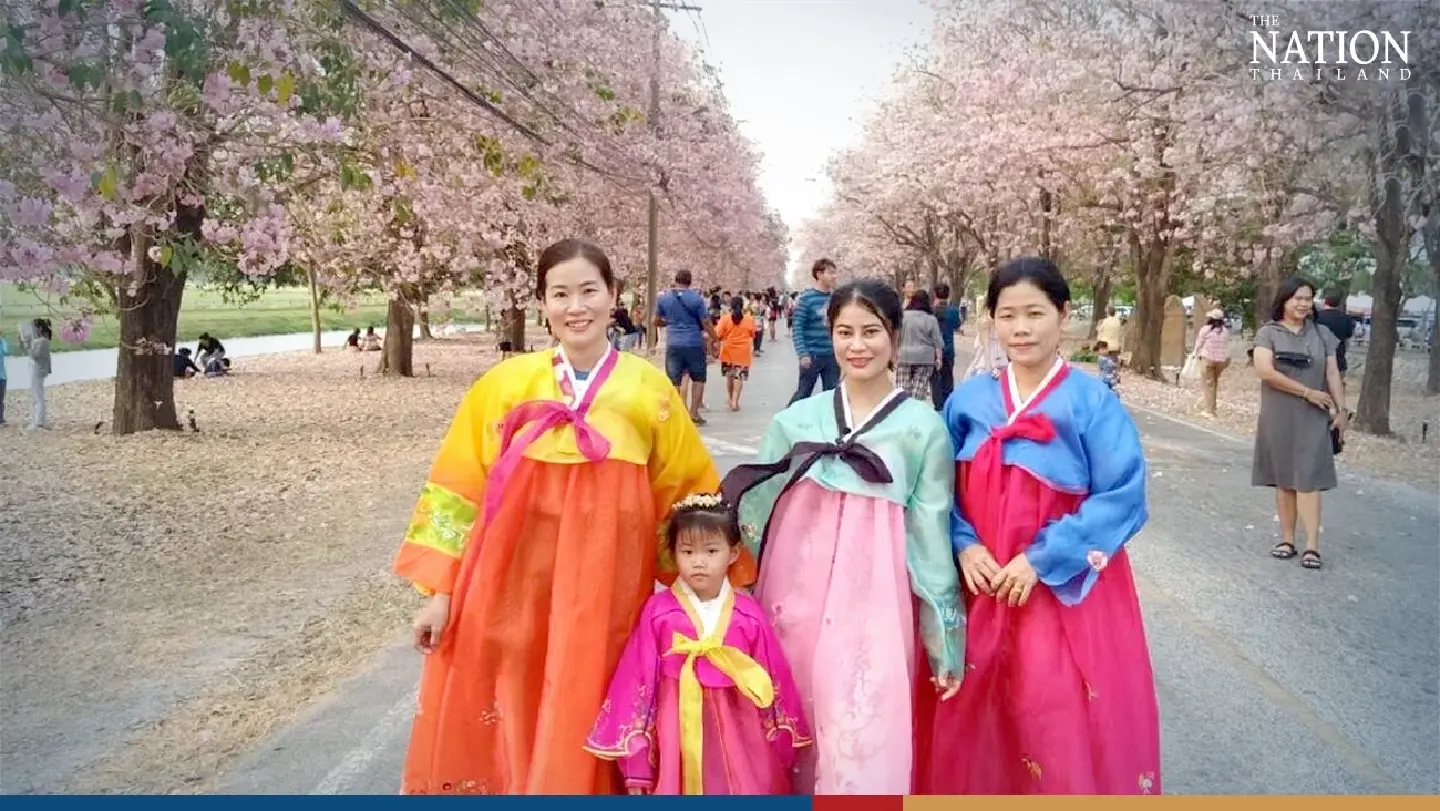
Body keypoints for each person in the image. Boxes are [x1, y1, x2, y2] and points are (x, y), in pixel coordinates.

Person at [394, 239, 748, 795]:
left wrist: (706, 591)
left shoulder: (649, 391)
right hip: (510, 582)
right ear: (543, 303)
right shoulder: (504, 387)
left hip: (607, 587)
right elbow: (458, 487)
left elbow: (687, 497)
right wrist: (440, 590)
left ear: (614, 297)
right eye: (560, 294)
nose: (575, 306)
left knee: (590, 693)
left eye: (589, 291)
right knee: (513, 690)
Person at [723, 279, 965, 795]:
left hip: (874, 599)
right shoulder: (796, 421)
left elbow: (929, 535)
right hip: (794, 591)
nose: (858, 346)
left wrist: (945, 639)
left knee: (861, 723)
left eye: (872, 332)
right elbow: (755, 517)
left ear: (895, 337)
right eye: (844, 332)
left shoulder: (923, 429)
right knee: (791, 711)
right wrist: (734, 599)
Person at [930, 256, 1160, 795]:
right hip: (982, 584)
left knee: (1055, 713)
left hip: (1062, 590)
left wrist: (1040, 559)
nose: (1022, 328)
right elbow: (937, 489)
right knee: (977, 709)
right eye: (1007, 315)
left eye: (1035, 313)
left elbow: (1122, 496)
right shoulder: (968, 402)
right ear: (992, 321)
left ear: (1063, 314)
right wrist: (963, 544)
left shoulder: (1093, 404)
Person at [586, 493, 812, 795]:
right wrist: (637, 756)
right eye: (688, 551)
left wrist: (779, 738)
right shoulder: (659, 612)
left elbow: (774, 677)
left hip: (742, 734)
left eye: (711, 550)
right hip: (675, 729)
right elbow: (637, 681)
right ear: (674, 554)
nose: (699, 562)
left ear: (733, 553)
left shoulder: (748, 614)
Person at [1252, 277, 1346, 571]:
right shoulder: (1268, 333)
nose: (1304, 304)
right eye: (1298, 298)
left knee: (1308, 479)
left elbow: (1332, 373)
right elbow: (1265, 372)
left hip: (1314, 415)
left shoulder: (1322, 334)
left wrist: (1341, 410)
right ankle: (1287, 539)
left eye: (1309, 299)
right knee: (1285, 479)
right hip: (1279, 415)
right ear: (1285, 300)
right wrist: (1305, 391)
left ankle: (1312, 547)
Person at [654, 269, 715, 426]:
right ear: (690, 281)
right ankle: (694, 414)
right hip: (694, 343)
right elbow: (706, 322)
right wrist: (715, 338)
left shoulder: (664, 299)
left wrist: (669, 322)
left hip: (673, 343)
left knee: (674, 380)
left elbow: (655, 321)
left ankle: (677, 413)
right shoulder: (697, 299)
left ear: (676, 280)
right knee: (698, 378)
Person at [788, 258, 840, 405]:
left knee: (832, 395)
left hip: (832, 356)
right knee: (803, 393)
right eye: (830, 273)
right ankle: (786, 419)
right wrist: (803, 353)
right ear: (819, 274)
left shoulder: (836, 298)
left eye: (835, 273)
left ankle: (830, 425)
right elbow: (797, 327)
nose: (834, 276)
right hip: (812, 355)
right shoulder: (806, 299)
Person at [896, 289, 944, 406]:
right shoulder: (931, 319)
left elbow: (896, 337)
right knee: (919, 391)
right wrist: (939, 359)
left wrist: (893, 355)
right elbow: (937, 342)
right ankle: (915, 414)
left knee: (902, 390)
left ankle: (903, 413)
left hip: (904, 356)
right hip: (925, 358)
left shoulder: (903, 317)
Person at [715, 296, 758, 411]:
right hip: (743, 352)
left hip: (728, 351)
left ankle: (730, 398)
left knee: (730, 376)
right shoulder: (749, 319)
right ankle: (735, 401)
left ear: (731, 306)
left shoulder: (724, 319)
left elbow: (717, 334)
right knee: (738, 376)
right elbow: (753, 334)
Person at [1192, 308, 1231, 416]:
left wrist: (1194, 353)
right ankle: (1212, 407)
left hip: (1207, 358)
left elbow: (1199, 343)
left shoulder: (1206, 329)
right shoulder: (1225, 331)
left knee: (1208, 384)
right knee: (1214, 383)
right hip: (1221, 361)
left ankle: (1209, 410)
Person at [932, 283, 962, 409]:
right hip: (949, 348)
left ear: (935, 295)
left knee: (935, 378)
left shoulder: (931, 311)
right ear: (948, 294)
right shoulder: (953, 310)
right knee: (948, 377)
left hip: (933, 349)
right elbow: (957, 325)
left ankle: (938, 406)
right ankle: (948, 404)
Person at [1314, 292, 1355, 377]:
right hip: (1339, 359)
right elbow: (1348, 339)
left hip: (1318, 359)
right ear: (1339, 304)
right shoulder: (1347, 319)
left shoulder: (1316, 317)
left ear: (1325, 302)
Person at [23, 319, 51, 430]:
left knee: (38, 395)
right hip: (36, 368)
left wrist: (28, 344)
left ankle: (38, 421)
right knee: (37, 394)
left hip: (38, 369)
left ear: (39, 328)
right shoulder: (39, 340)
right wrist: (24, 342)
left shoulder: (42, 341)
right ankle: (37, 419)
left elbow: (35, 355)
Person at [0, 326, 9, 427]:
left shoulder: (2, 343)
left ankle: (1, 418)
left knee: (1, 399)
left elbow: (6, 351)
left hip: (2, 376)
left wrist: (3, 340)